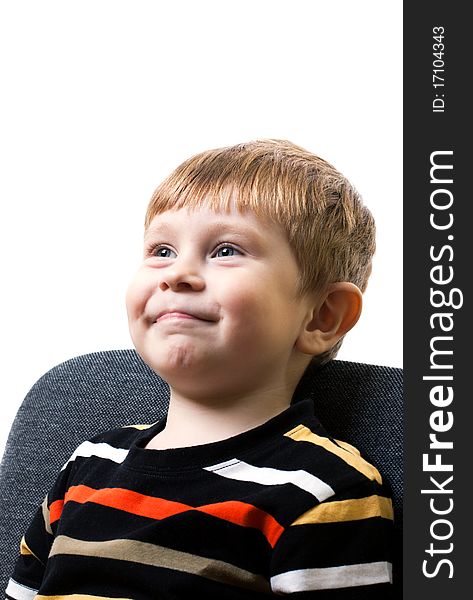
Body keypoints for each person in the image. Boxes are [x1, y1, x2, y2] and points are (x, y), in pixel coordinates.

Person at [6, 140, 394, 599]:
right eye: (162, 250)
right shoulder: (89, 466)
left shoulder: (325, 490)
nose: (177, 273)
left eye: (226, 249)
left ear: (321, 316)